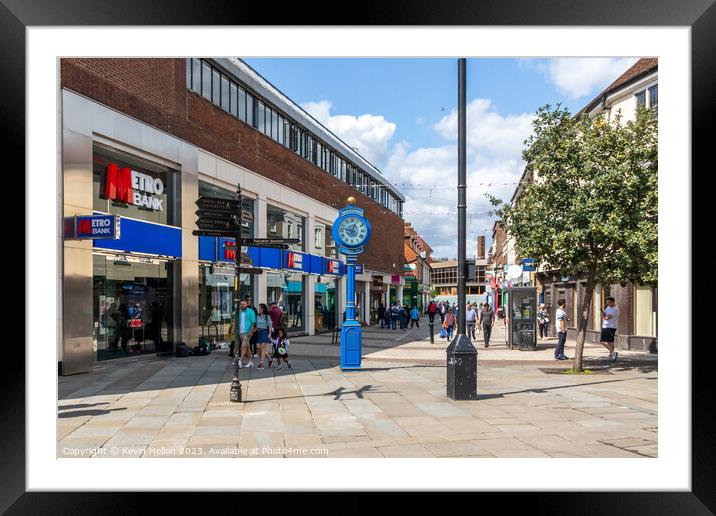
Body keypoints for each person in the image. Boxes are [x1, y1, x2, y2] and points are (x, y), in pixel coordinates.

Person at [235, 299, 257, 368]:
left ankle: (240, 361)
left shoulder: (251, 311)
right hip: (241, 331)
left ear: (247, 305)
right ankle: (250, 362)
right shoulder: (239, 312)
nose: (242, 305)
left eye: (243, 304)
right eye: (241, 304)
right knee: (247, 347)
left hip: (247, 331)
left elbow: (253, 322)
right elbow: (237, 321)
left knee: (243, 346)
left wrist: (251, 330)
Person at [600, 297, 621, 362]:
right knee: (610, 342)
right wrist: (603, 314)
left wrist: (603, 315)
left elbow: (606, 317)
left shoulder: (615, 309)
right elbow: (605, 314)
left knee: (603, 341)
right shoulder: (609, 307)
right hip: (606, 326)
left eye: (609, 302)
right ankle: (612, 355)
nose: (608, 304)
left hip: (610, 327)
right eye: (607, 303)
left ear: (613, 302)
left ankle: (613, 353)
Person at [255, 303, 274, 370]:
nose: (259, 309)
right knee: (261, 349)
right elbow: (257, 326)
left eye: (260, 308)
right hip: (259, 332)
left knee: (263, 348)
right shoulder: (258, 316)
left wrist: (269, 334)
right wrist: (252, 332)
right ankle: (270, 359)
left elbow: (270, 325)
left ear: (263, 309)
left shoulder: (267, 316)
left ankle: (262, 363)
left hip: (265, 332)